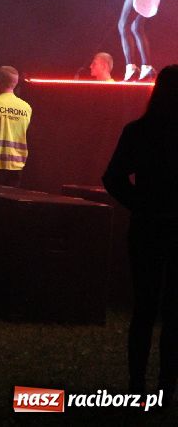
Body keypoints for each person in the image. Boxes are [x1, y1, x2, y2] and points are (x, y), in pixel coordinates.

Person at [103, 65, 178, 405]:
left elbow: (113, 177)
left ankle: (136, 384)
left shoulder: (139, 131)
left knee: (144, 308)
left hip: (147, 227)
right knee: (175, 311)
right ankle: (167, 385)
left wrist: (140, 205)